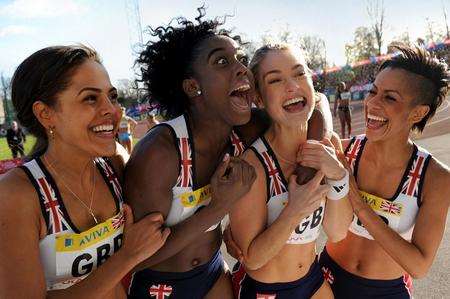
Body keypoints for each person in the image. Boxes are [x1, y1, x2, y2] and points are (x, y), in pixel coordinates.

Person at [0, 45, 171, 298]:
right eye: (90, 98)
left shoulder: (115, 163)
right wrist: (126, 257)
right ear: (45, 114)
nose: (112, 111)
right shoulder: (17, 195)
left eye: (111, 97)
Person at [123, 8, 259, 298]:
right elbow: (136, 259)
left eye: (241, 60)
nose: (241, 68)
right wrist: (218, 209)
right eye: (222, 62)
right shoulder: (161, 153)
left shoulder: (243, 127)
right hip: (160, 285)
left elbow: (313, 105)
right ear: (192, 86)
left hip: (211, 274)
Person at [319, 46, 450, 298]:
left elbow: (418, 265)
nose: (372, 104)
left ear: (418, 112)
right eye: (373, 92)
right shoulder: (342, 152)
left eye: (389, 98)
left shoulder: (436, 178)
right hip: (326, 281)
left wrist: (358, 204)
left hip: (385, 292)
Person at [228, 43, 353, 299]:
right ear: (259, 98)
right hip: (266, 291)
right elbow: (253, 258)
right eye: (275, 80)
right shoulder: (252, 164)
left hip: (313, 281)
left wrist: (339, 177)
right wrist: (294, 210)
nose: (292, 86)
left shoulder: (329, 147)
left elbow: (338, 232)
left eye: (299, 74)